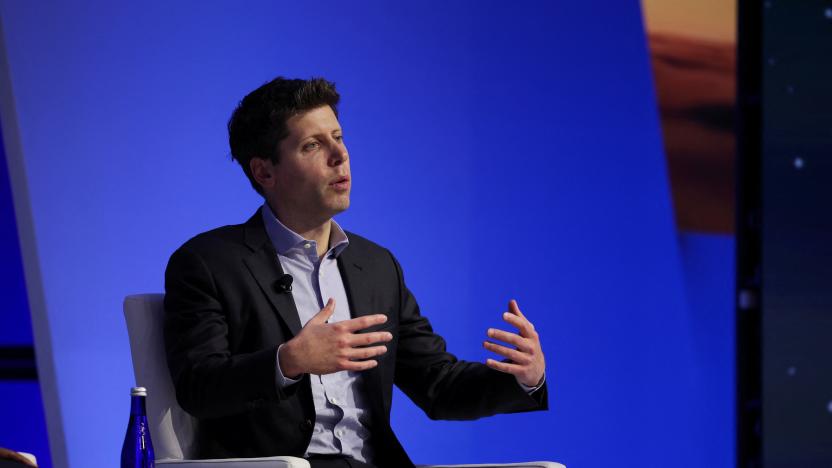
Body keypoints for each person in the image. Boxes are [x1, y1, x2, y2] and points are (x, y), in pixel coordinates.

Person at [164, 77, 548, 468]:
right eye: (312, 145)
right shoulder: (209, 262)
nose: (339, 156)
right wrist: (288, 361)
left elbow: (438, 385)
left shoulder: (377, 266)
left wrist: (522, 378)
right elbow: (199, 387)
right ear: (264, 172)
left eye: (338, 137)